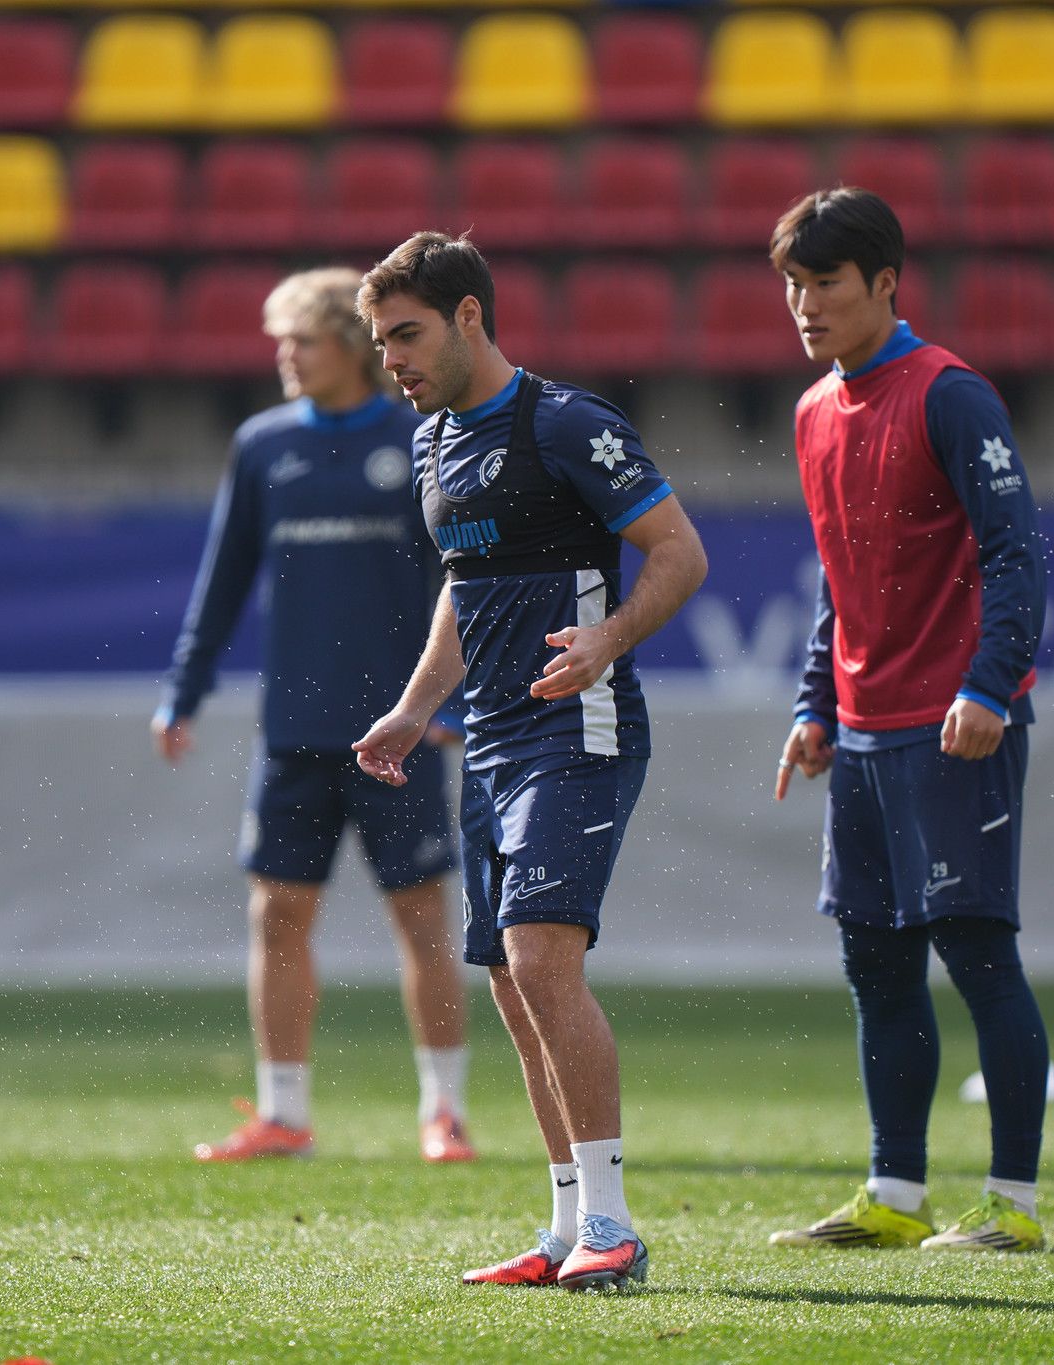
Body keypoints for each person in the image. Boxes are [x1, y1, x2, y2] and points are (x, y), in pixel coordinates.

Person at [352, 232, 708, 1290]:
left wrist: (607, 638)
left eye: (405, 335)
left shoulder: (563, 423)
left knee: (542, 960)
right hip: (493, 739)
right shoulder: (431, 441)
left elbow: (680, 551)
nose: (391, 361)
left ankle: (614, 1226)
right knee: (511, 985)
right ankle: (564, 1226)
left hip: (580, 726)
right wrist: (416, 709)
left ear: (469, 316)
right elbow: (464, 587)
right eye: (379, 342)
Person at [765, 188, 1053, 1254]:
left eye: (824, 284)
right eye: (791, 286)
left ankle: (1012, 1207)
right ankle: (894, 1194)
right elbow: (842, 578)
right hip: (864, 734)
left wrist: (986, 686)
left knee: (977, 955)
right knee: (875, 965)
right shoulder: (809, 411)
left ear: (885, 281)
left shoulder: (950, 394)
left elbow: (1014, 553)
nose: (803, 305)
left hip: (954, 727)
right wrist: (813, 703)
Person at [156, 267, 474, 1167]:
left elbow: (461, 580)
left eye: (301, 339)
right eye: (280, 341)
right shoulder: (261, 446)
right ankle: (283, 1112)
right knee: (277, 916)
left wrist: (445, 699)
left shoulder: (417, 439)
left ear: (349, 346)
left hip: (399, 733)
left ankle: (443, 1110)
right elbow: (222, 580)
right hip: (293, 730)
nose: (285, 357)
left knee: (421, 921)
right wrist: (184, 689)